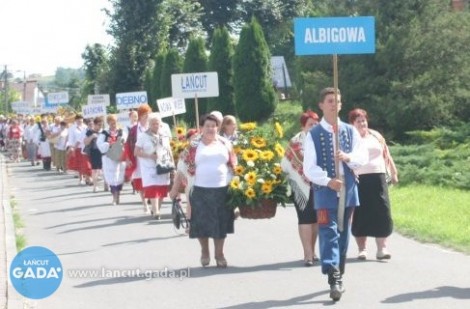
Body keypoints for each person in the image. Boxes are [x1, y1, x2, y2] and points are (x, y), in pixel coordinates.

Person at [303, 87, 367, 301]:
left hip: (348, 190)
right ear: (321, 105)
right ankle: (333, 275)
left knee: (343, 233)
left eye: (337, 101)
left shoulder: (350, 130)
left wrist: (348, 158)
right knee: (327, 230)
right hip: (325, 193)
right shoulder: (313, 134)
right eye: (330, 100)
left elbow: (362, 156)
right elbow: (309, 167)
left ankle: (339, 269)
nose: (334, 104)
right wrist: (328, 181)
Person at [171, 114, 237, 268]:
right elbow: (181, 168)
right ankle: (205, 251)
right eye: (207, 126)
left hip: (222, 190)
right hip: (200, 190)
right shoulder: (194, 146)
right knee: (201, 224)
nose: (210, 129)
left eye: (213, 126)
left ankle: (219, 254)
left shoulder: (225, 144)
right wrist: (175, 189)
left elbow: (234, 165)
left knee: (220, 224)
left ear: (218, 128)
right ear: (201, 128)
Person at [348, 108, 398, 260]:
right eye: (358, 121)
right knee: (360, 213)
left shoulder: (376, 136)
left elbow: (386, 154)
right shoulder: (349, 138)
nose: (362, 123)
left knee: (382, 212)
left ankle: (382, 248)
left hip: (378, 177)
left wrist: (394, 173)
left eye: (364, 120)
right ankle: (362, 249)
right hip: (358, 179)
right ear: (352, 123)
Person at [281, 110, 320, 266]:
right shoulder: (296, 142)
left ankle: (313, 249)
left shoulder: (322, 139)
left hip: (320, 186)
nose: (313, 127)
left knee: (317, 220)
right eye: (310, 124)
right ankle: (307, 254)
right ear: (303, 126)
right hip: (301, 187)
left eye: (316, 124)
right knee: (305, 219)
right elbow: (285, 164)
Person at [134, 114, 172, 218]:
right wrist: (149, 156)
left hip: (163, 165)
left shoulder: (164, 135)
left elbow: (169, 150)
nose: (155, 125)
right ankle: (156, 212)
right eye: (153, 123)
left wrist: (172, 164)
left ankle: (156, 208)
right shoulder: (143, 136)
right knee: (153, 188)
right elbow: (136, 152)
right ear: (149, 124)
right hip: (148, 167)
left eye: (157, 123)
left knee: (161, 189)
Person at [125, 104, 152, 210]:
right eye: (145, 114)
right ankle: (145, 204)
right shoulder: (134, 129)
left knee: (150, 179)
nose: (147, 116)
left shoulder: (152, 126)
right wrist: (127, 158)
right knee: (140, 181)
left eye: (149, 114)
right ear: (140, 116)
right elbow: (127, 145)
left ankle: (151, 199)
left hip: (150, 158)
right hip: (138, 159)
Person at [97, 115, 126, 205]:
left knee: (119, 176)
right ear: (108, 122)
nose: (114, 124)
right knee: (112, 177)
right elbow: (99, 144)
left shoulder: (121, 131)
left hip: (119, 155)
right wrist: (108, 144)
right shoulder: (104, 133)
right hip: (108, 157)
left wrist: (121, 142)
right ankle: (114, 197)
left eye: (115, 122)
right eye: (112, 122)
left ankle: (118, 194)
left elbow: (125, 141)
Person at [66, 115, 88, 184]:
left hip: (85, 147)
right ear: (75, 120)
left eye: (81, 120)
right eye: (78, 120)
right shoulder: (72, 128)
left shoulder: (86, 127)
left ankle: (87, 177)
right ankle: (81, 178)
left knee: (86, 163)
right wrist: (71, 147)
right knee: (79, 163)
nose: (80, 121)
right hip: (77, 148)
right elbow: (71, 139)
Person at [84, 117, 104, 193]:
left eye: (101, 125)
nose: (100, 127)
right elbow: (85, 142)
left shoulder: (104, 131)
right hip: (94, 152)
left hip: (103, 152)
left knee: (104, 169)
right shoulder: (90, 132)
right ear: (95, 124)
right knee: (95, 170)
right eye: (98, 125)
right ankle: (95, 186)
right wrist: (92, 136)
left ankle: (106, 185)